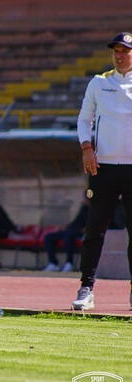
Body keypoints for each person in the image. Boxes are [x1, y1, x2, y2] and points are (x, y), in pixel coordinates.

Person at [71, 32, 132, 311]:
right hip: (103, 167)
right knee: (95, 229)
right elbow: (84, 119)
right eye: (116, 51)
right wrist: (86, 148)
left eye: (126, 51)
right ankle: (86, 287)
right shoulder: (99, 82)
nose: (120, 55)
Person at [42, 198, 88, 272]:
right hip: (71, 230)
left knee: (68, 236)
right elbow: (76, 222)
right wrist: (66, 227)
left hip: (81, 233)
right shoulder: (83, 208)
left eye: (87, 199)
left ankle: (69, 263)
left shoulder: (94, 210)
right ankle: (53, 263)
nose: (84, 201)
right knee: (49, 237)